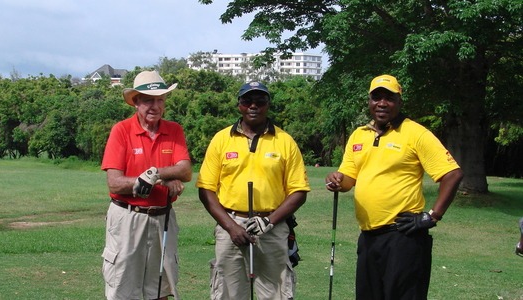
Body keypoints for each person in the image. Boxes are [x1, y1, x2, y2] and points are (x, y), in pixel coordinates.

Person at [325, 74, 464, 300]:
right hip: (369, 237)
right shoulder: (359, 135)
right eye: (376, 97)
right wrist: (338, 180)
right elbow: (349, 178)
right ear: (369, 102)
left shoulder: (415, 133)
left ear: (399, 101)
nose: (382, 103)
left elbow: (452, 173)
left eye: (389, 98)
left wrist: (432, 216)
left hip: (403, 236)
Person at [196, 81, 311, 300]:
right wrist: (231, 227)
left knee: (276, 293)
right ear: (239, 105)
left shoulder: (284, 141)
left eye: (260, 101)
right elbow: (206, 190)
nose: (253, 106)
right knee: (228, 293)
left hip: (272, 227)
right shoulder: (221, 139)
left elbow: (299, 191)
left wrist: (268, 222)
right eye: (247, 101)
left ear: (268, 105)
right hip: (231, 225)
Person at [100, 70, 192, 300]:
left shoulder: (174, 130)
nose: (155, 106)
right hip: (127, 217)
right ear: (136, 102)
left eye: (160, 100)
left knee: (160, 286)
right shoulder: (121, 130)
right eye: (148, 100)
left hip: (163, 217)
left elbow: (185, 170)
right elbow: (114, 182)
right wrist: (159, 180)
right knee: (123, 287)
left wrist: (154, 174)